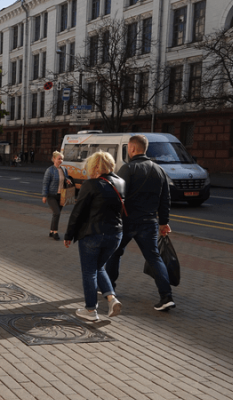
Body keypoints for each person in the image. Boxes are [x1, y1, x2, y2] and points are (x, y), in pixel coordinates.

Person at [106, 134, 175, 311]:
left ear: (133, 149)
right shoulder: (159, 170)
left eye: (129, 148)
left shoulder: (127, 169)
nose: (128, 151)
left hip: (127, 221)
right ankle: (166, 296)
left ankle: (108, 288)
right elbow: (165, 199)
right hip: (149, 222)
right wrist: (164, 222)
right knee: (154, 257)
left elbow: (116, 196)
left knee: (114, 253)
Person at [63, 151, 126, 321]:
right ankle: (112, 299)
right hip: (115, 235)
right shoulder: (121, 183)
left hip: (93, 234)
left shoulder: (91, 184)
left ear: (96, 166)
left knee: (89, 271)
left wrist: (69, 235)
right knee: (99, 267)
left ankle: (90, 311)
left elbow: (78, 211)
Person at [42, 151, 74, 241]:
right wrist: (44, 196)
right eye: (59, 159)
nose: (61, 160)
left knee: (56, 214)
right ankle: (55, 232)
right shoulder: (50, 170)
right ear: (54, 159)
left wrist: (68, 181)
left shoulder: (64, 169)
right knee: (57, 213)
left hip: (61, 195)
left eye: (62, 159)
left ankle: (51, 231)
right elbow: (45, 183)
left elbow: (65, 179)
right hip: (52, 195)